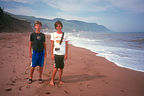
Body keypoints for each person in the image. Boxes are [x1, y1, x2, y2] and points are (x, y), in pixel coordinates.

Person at [50, 21, 69, 85]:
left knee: (61, 68)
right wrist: (52, 54)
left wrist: (66, 54)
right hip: (56, 53)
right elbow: (52, 44)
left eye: (60, 26)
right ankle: (52, 80)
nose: (59, 27)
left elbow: (67, 45)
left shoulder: (65, 35)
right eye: (58, 26)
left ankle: (60, 80)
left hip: (62, 54)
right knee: (55, 68)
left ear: (61, 26)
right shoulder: (53, 34)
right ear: (56, 27)